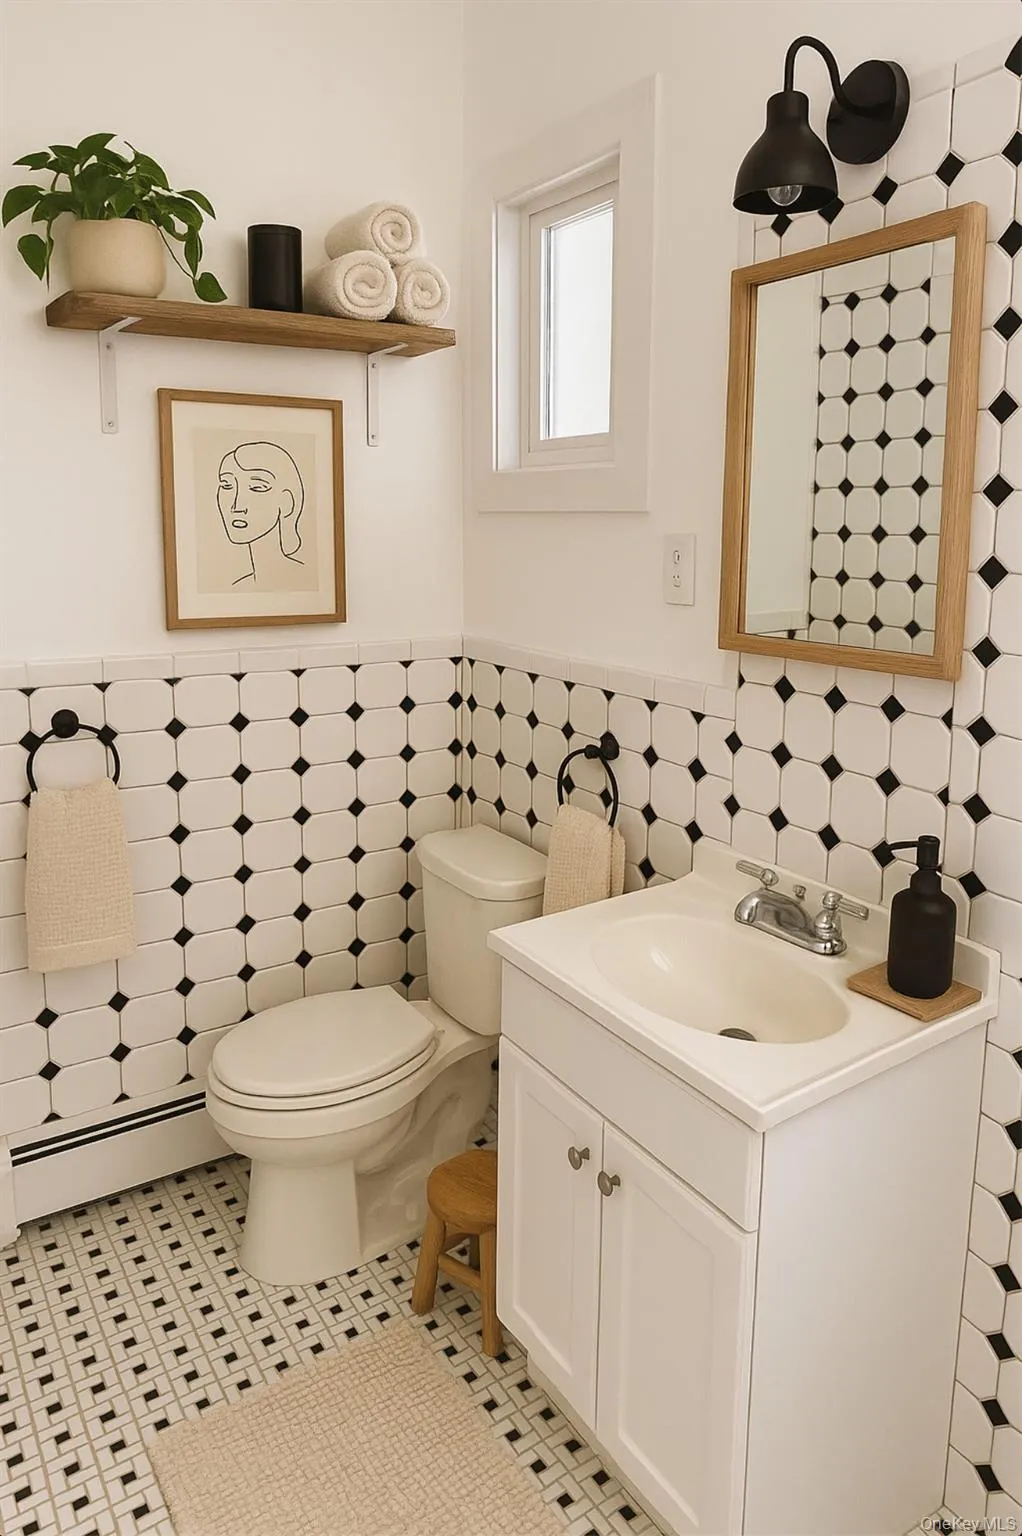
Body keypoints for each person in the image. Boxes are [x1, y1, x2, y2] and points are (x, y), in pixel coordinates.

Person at [216, 441, 305, 588]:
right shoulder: (238, 588)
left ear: (286, 502)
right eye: (227, 485)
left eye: (257, 488)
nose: (237, 506)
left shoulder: (304, 580)